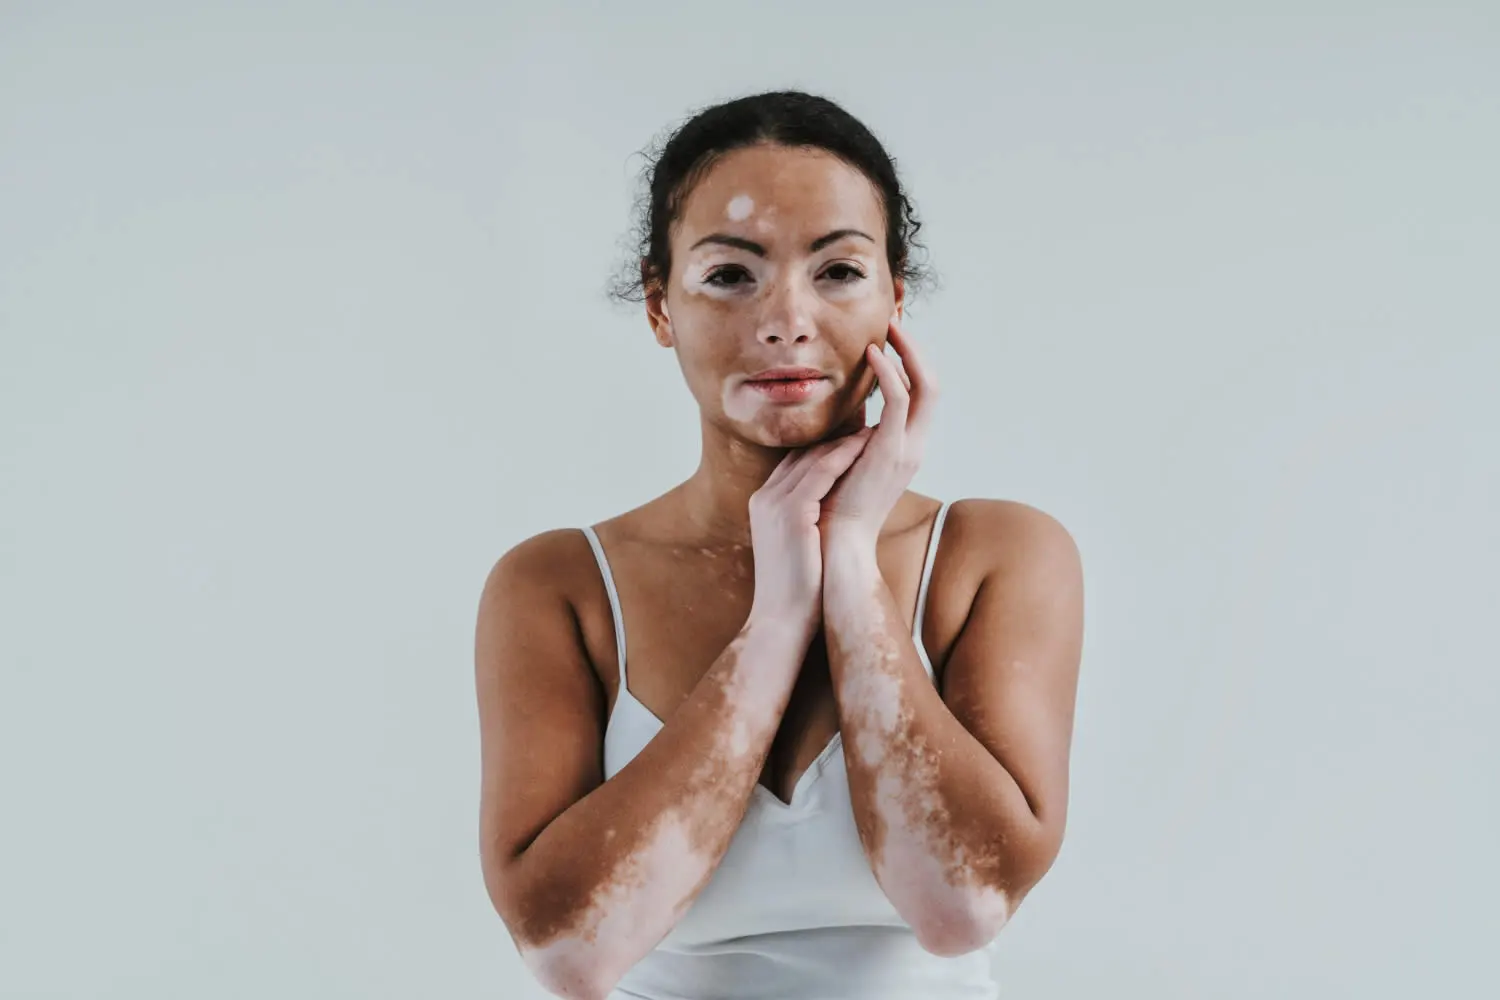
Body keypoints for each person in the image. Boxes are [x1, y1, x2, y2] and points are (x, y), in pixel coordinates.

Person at [474, 90, 1084, 1000]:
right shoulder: (558, 585)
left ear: (894, 300)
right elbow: (569, 952)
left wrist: (847, 565)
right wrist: (776, 620)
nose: (786, 320)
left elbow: (961, 906)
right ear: (659, 307)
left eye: (837, 271)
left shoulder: (996, 554)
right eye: (730, 275)